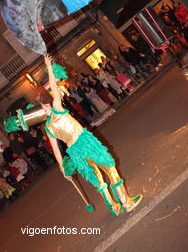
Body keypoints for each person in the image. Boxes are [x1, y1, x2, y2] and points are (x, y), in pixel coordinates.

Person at [42, 55, 143, 216]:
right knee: (109, 168)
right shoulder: (56, 109)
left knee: (98, 177)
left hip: (75, 151)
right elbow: (54, 87)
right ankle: (126, 203)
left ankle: (114, 208)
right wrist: (49, 68)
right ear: (45, 110)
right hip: (84, 142)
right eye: (45, 105)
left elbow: (56, 151)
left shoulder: (48, 128)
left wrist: (64, 170)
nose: (47, 103)